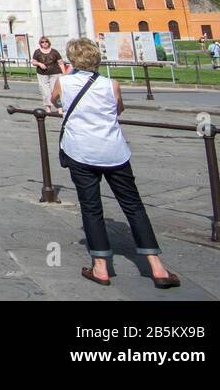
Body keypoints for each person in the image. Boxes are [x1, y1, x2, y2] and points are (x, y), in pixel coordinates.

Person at [52, 38, 180, 289]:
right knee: (134, 206)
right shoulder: (112, 84)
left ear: (72, 60)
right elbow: (118, 109)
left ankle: (101, 268)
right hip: (114, 151)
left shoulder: (63, 82)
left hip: (81, 152)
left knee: (91, 207)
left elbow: (55, 101)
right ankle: (157, 267)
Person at [31, 36, 64, 114]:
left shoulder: (54, 51)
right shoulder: (37, 52)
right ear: (40, 43)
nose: (44, 43)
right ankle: (48, 108)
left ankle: (59, 108)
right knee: (45, 92)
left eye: (46, 41)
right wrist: (39, 64)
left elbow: (61, 63)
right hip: (42, 74)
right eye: (42, 42)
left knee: (56, 91)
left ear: (49, 42)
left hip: (55, 73)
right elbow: (33, 62)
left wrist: (64, 74)